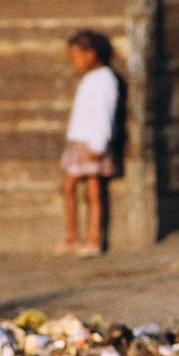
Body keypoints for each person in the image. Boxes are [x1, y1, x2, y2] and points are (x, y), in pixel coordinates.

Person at [54, 30, 119, 258]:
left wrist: (98, 145)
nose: (75, 62)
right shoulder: (91, 79)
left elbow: (104, 114)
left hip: (92, 143)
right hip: (78, 142)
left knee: (93, 191)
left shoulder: (105, 80)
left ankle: (93, 240)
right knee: (69, 187)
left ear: (91, 54)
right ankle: (72, 236)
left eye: (76, 57)